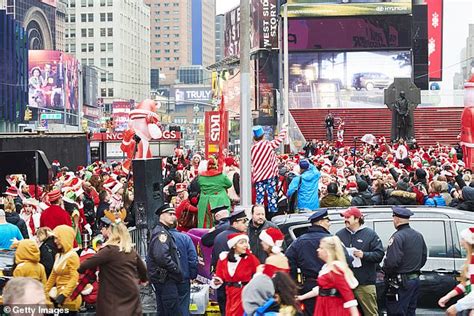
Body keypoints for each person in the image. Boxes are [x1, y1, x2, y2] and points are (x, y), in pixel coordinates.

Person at [77, 221, 148, 316]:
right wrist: (143, 280)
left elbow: (85, 264)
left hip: (113, 295)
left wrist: (79, 270)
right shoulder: (131, 251)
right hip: (131, 293)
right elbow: (143, 270)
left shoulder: (108, 251)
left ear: (112, 234)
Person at [336, 207, 384, 316]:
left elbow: (379, 254)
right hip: (345, 283)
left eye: (348, 217)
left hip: (365, 283)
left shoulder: (370, 234)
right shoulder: (339, 235)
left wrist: (364, 255)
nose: (345, 219)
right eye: (344, 217)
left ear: (357, 219)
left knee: (370, 313)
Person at [296, 236, 359, 316]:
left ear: (328, 251)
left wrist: (354, 313)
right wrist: (302, 297)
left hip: (333, 308)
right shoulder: (327, 267)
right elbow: (322, 289)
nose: (318, 250)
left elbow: (347, 293)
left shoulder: (335, 269)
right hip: (326, 305)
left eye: (321, 248)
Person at [285, 209, 332, 316]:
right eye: (327, 221)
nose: (329, 224)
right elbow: (346, 260)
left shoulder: (299, 241)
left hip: (308, 286)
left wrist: (295, 284)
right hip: (330, 287)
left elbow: (288, 261)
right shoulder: (332, 240)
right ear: (320, 222)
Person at [383, 206, 427, 316]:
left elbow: (392, 262)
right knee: (410, 311)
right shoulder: (418, 235)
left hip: (401, 282)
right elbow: (423, 257)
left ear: (396, 219)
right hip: (414, 279)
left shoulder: (397, 237)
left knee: (396, 312)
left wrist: (385, 272)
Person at [210, 232, 260, 316]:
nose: (245, 245)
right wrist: (216, 281)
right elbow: (219, 276)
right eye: (241, 243)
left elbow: (259, 274)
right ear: (233, 245)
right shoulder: (223, 259)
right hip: (229, 294)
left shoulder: (250, 258)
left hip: (244, 293)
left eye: (246, 242)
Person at [211, 207, 249, 314]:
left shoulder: (219, 236)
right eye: (244, 221)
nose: (246, 224)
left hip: (222, 284)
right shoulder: (239, 239)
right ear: (235, 223)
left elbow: (214, 260)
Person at [147, 203, 183, 315]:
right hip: (166, 279)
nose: (173, 216)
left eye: (174, 214)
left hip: (164, 279)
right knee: (171, 310)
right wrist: (176, 269)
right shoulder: (161, 233)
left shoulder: (162, 231)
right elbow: (162, 257)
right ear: (162, 215)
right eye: (170, 214)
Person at [251, 124, 288, 215]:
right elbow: (279, 139)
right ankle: (272, 216)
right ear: (263, 135)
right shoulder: (267, 145)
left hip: (258, 177)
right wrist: (283, 128)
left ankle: (258, 214)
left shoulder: (252, 149)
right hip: (270, 175)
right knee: (272, 197)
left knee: (259, 198)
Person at [45, 225, 82, 312]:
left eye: (57, 239)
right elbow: (53, 275)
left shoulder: (73, 256)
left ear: (65, 238)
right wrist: (44, 291)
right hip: (60, 297)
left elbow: (74, 278)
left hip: (70, 298)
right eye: (54, 239)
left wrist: (64, 295)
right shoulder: (59, 255)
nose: (55, 241)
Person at [438, 227, 474, 315]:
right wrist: (448, 296)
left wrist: (458, 306)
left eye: (462, 239)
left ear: (469, 241)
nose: (460, 243)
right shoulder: (470, 259)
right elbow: (466, 284)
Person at [170, 223, 198, 316]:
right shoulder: (185, 238)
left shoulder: (159, 238)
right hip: (183, 277)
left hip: (167, 279)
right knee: (183, 306)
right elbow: (193, 259)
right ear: (177, 225)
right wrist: (193, 275)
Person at [197, 156, 232, 228]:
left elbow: (199, 185)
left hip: (205, 202)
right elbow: (229, 184)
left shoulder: (201, 176)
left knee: (205, 222)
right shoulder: (221, 176)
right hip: (219, 201)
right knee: (220, 222)